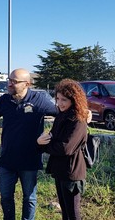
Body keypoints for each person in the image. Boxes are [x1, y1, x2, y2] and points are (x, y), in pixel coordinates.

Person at [0, 68, 58, 220]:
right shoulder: (4, 100)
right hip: (7, 160)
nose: (9, 84)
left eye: (14, 82)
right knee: (5, 197)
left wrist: (51, 135)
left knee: (29, 199)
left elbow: (61, 113)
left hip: (30, 160)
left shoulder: (39, 99)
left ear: (26, 84)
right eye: (9, 80)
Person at [37, 78, 88, 220]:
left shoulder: (78, 120)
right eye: (58, 99)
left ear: (74, 100)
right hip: (60, 170)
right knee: (65, 212)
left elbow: (66, 148)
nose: (59, 103)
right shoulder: (61, 116)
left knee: (73, 214)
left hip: (72, 173)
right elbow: (53, 137)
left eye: (64, 100)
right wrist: (42, 142)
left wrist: (44, 145)